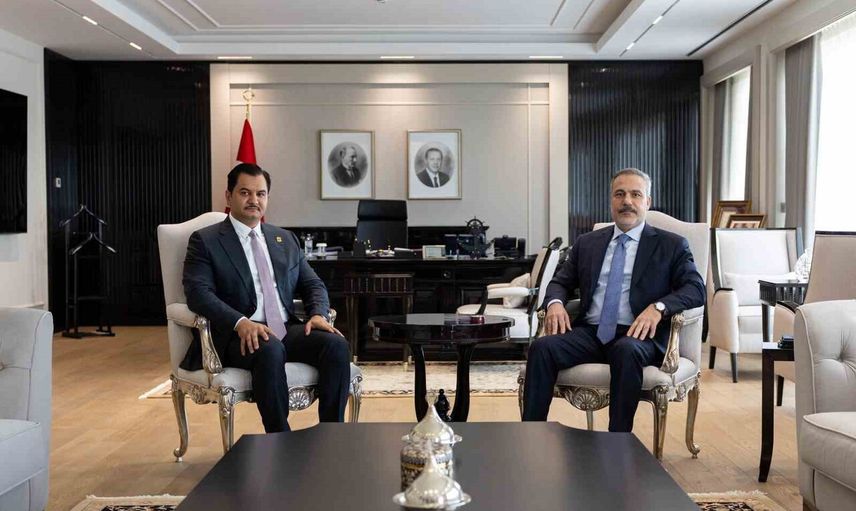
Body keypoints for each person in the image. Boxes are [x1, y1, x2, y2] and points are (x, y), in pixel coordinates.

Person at [522, 168, 705, 432]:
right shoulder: (587, 243)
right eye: (620, 194)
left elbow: (695, 288)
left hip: (639, 336)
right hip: (591, 333)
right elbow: (560, 282)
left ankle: (618, 443)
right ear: (611, 201)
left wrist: (659, 307)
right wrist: (555, 304)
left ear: (647, 202)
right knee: (542, 348)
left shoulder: (671, 245)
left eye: (635, 194)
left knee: (625, 351)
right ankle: (530, 436)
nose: (627, 201)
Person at [181, 163, 351, 433]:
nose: (254, 200)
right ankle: (280, 439)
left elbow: (312, 283)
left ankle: (333, 436)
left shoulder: (284, 238)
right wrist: (240, 322)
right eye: (245, 193)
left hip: (284, 329)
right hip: (237, 336)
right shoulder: (206, 240)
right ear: (229, 197)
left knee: (336, 346)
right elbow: (198, 294)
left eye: (260, 194)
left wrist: (318, 313)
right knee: (270, 348)